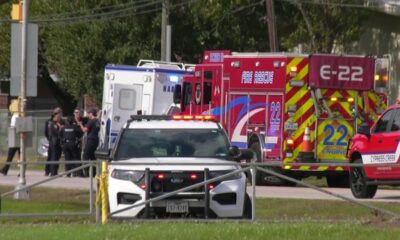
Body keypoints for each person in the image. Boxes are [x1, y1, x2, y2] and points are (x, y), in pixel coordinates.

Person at [0, 102, 20, 176]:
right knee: (19, 155)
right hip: (19, 138)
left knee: (11, 155)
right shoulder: (20, 115)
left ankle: (5, 169)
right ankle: (5, 169)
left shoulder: (15, 116)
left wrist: (9, 138)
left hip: (15, 138)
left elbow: (13, 128)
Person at [79, 108, 100, 177]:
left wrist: (81, 125)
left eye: (89, 113)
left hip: (90, 140)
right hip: (96, 140)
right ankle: (94, 173)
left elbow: (85, 130)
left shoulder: (91, 121)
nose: (88, 114)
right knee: (92, 157)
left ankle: (86, 173)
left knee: (85, 156)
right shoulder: (97, 121)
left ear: (91, 113)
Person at [44, 107, 62, 176]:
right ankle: (49, 171)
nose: (58, 115)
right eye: (56, 113)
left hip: (57, 142)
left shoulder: (60, 121)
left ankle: (54, 171)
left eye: (59, 113)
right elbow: (46, 132)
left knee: (56, 156)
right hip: (53, 141)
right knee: (51, 157)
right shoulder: (50, 122)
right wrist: (50, 139)